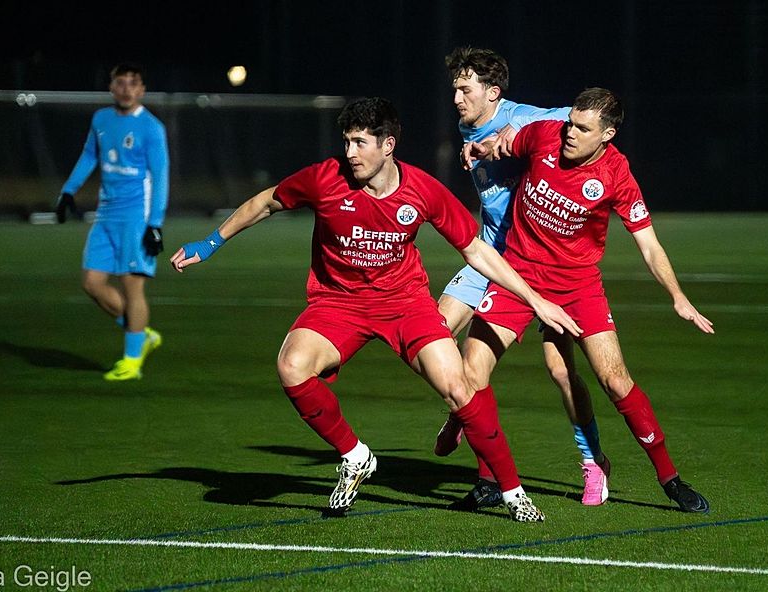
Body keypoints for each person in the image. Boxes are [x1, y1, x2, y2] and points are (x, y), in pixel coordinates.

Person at [169, 97, 582, 522]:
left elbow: (476, 249)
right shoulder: (324, 179)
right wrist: (210, 242)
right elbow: (266, 202)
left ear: (388, 145)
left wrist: (535, 299)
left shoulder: (421, 189)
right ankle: (355, 455)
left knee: (460, 388)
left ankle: (511, 491)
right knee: (292, 367)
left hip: (405, 304)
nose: (350, 153)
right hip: (338, 303)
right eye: (347, 142)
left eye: (360, 143)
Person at [454, 87, 713, 513]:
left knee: (611, 379)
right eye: (571, 122)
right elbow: (502, 145)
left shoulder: (617, 175)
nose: (570, 132)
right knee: (472, 369)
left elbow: (648, 244)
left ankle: (669, 479)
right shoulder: (544, 135)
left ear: (607, 134)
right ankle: (489, 480)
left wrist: (677, 296)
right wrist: (479, 149)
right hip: (519, 276)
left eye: (583, 128)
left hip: (578, 286)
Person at [435, 47, 612, 511]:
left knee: (560, 370)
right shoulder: (467, 124)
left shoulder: (520, 116)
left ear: (493, 94)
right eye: (455, 87)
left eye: (465, 89)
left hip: (540, 262)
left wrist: (516, 131)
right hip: (491, 254)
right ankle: (480, 454)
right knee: (435, 333)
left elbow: (572, 116)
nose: (456, 97)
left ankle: (593, 461)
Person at [55, 63, 169, 381]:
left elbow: (160, 177)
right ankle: (141, 335)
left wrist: (155, 223)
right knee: (92, 283)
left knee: (133, 288)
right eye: (120, 82)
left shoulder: (151, 128)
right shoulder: (101, 119)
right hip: (106, 215)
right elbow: (90, 155)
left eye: (133, 83)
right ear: (111, 87)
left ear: (142, 90)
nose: (126, 89)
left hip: (137, 217)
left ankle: (132, 362)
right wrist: (68, 192)